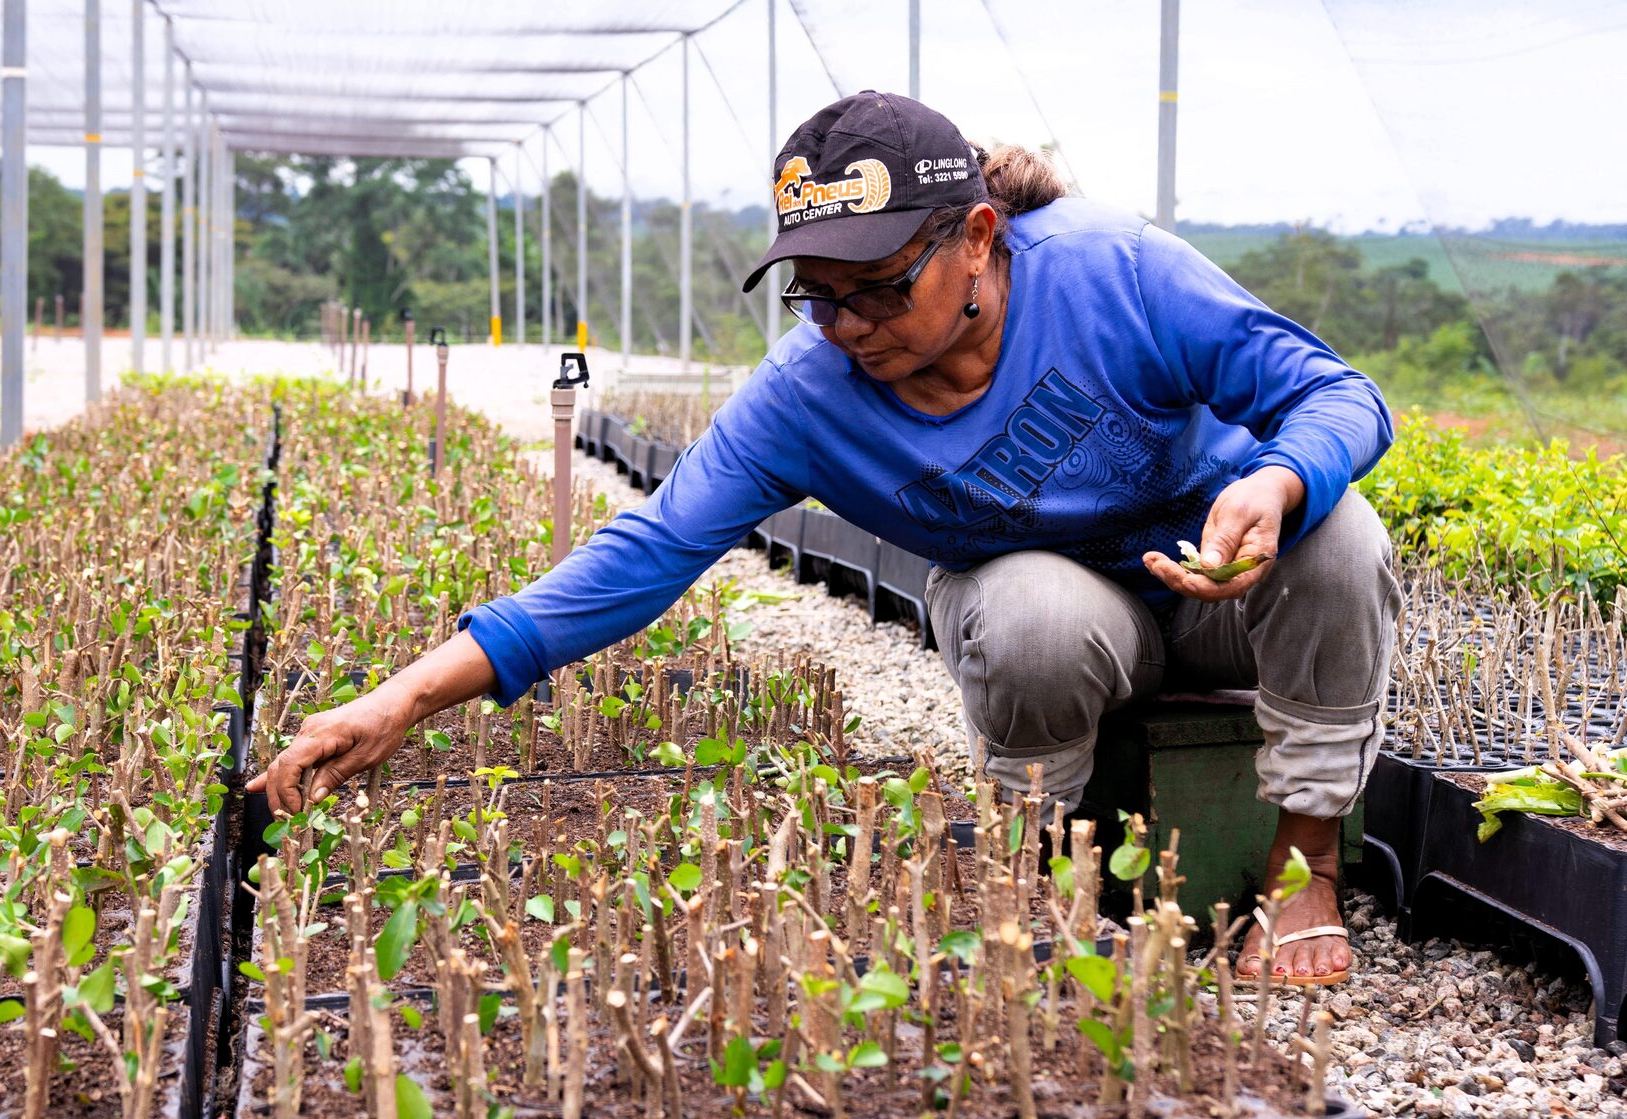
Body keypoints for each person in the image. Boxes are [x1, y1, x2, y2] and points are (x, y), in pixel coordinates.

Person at [249, 92, 1399, 986]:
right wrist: (401, 699)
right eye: (817, 294)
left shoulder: (1115, 271)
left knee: (1339, 529)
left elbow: (1341, 396)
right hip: (1068, 631)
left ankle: (1305, 863)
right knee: (1032, 609)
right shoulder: (809, 398)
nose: (847, 325)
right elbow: (645, 552)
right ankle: (1039, 864)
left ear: (978, 239)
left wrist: (1279, 480)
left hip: (1220, 592)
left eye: (879, 290)